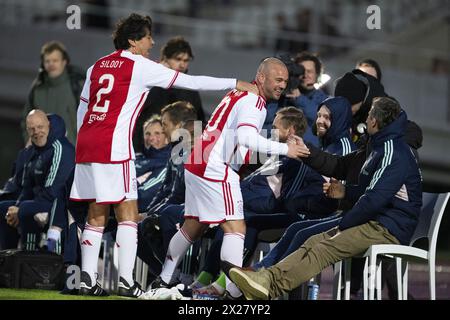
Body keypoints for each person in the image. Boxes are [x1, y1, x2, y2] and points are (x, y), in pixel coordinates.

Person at [69, 13, 257, 298]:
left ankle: (85, 280)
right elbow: (192, 82)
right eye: (147, 37)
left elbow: (82, 108)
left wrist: (87, 138)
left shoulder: (96, 66)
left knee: (96, 212)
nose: (152, 42)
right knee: (128, 214)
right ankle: (126, 281)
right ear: (133, 41)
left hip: (86, 143)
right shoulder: (140, 66)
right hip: (113, 146)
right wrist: (235, 82)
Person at [140, 57, 308, 300]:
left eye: (285, 81)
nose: (282, 85)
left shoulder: (237, 94)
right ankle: (232, 292)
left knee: (193, 226)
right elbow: (247, 137)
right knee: (236, 228)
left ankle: (164, 279)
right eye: (277, 79)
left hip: (198, 160)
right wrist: (285, 150)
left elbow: (234, 136)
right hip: (215, 167)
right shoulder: (256, 102)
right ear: (261, 77)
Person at [226, 97, 423, 300]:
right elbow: (339, 167)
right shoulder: (378, 146)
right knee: (314, 239)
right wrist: (306, 151)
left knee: (324, 248)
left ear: (374, 121)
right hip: (374, 220)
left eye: (370, 113)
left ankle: (269, 288)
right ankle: (265, 278)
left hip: (387, 227)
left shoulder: (393, 151)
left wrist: (345, 223)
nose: (367, 117)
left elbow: (374, 199)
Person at [0, 110, 75, 251]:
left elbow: (54, 190)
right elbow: (27, 186)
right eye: (31, 129)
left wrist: (20, 208)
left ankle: (30, 254)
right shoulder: (35, 151)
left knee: (25, 209)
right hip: (41, 200)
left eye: (40, 127)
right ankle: (7, 258)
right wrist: (16, 206)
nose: (36, 132)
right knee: (5, 209)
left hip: (59, 205)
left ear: (49, 126)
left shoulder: (60, 148)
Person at [133, 36, 205, 152]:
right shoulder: (151, 84)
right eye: (178, 59)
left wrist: (194, 156)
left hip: (180, 155)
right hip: (146, 152)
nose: (182, 64)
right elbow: (138, 119)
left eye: (186, 60)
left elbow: (198, 122)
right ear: (165, 59)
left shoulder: (190, 88)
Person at [22, 41, 85, 145]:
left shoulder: (77, 86)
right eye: (47, 61)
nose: (51, 64)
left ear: (64, 62)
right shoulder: (37, 89)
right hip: (43, 154)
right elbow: (26, 118)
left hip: (71, 152)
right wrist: (29, 142)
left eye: (55, 60)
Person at [288, 52, 328, 147]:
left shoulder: (324, 99)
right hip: (283, 154)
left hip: (308, 155)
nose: (305, 75)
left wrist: (299, 98)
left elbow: (320, 117)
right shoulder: (286, 95)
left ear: (317, 75)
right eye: (301, 71)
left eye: (309, 71)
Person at [135, 115, 171, 213]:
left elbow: (144, 198)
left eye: (157, 133)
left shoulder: (167, 164)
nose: (151, 138)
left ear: (167, 137)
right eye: (147, 133)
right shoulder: (134, 158)